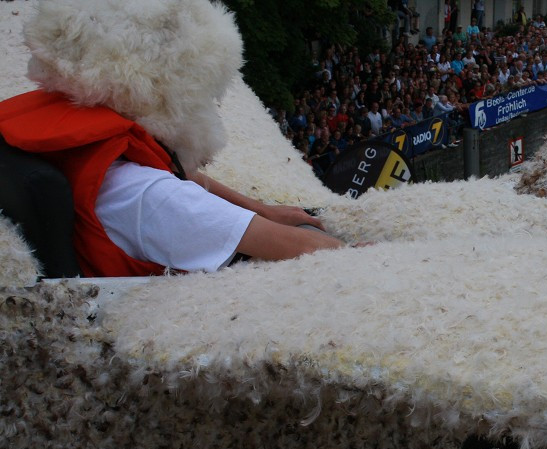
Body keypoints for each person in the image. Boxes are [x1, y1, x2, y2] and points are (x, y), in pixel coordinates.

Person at [0, 0, 345, 278]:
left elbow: (173, 174)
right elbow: (301, 247)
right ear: (172, 91)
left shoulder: (87, 152)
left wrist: (260, 208)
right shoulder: (154, 200)